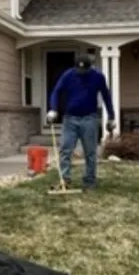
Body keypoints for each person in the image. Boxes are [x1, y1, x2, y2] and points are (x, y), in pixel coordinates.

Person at [46, 53, 116, 191]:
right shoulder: (68, 75)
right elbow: (56, 91)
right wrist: (53, 109)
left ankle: (90, 181)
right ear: (75, 67)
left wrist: (111, 117)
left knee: (90, 152)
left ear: (90, 67)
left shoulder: (98, 77)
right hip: (70, 119)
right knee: (65, 150)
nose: (81, 73)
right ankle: (64, 180)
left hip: (90, 118)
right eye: (79, 70)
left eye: (84, 70)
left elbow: (106, 97)